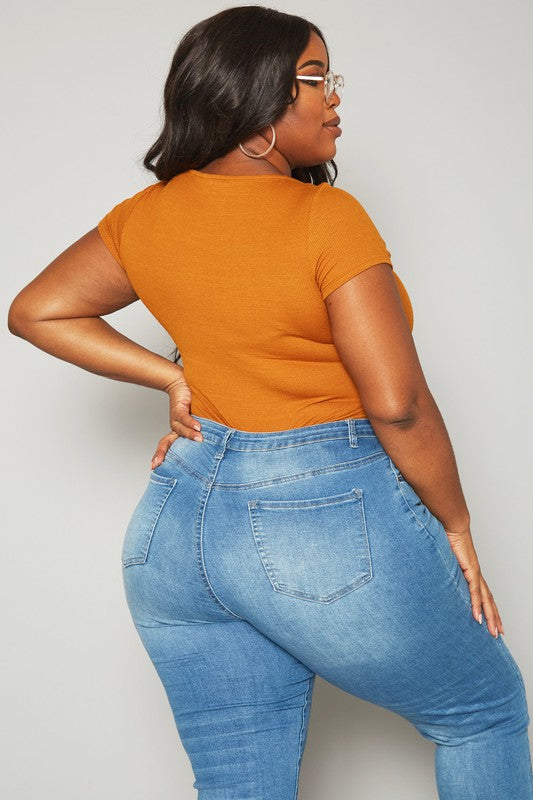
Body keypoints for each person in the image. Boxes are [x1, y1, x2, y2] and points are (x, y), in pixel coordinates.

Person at [7, 5, 532, 799]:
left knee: (239, 784)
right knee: (481, 715)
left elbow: (37, 311)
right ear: (255, 101)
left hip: (175, 533)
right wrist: (456, 523)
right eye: (314, 79)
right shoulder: (327, 217)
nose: (334, 97)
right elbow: (396, 404)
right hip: (317, 525)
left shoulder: (146, 215)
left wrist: (173, 378)